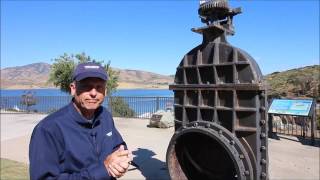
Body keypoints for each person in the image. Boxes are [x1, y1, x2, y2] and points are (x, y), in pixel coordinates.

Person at [29, 62, 132, 179]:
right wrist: (103, 169)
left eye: (99, 87)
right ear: (73, 89)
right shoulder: (49, 129)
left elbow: (118, 145)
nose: (93, 93)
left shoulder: (105, 116)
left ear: (105, 91)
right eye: (86, 86)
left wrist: (121, 160)